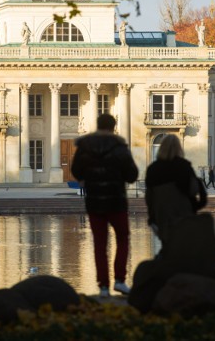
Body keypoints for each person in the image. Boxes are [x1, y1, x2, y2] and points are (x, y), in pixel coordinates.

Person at [71, 114, 138, 297]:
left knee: (100, 243)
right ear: (113, 127)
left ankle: (103, 286)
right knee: (122, 239)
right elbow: (132, 175)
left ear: (97, 125)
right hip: (116, 200)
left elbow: (75, 170)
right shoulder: (119, 147)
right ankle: (120, 281)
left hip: (94, 201)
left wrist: (86, 178)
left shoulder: (84, 147)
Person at [145, 135, 207, 247]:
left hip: (162, 219)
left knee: (167, 247)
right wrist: (194, 208)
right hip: (184, 217)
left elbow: (149, 199)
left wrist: (153, 218)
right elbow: (197, 194)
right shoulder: (185, 167)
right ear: (179, 148)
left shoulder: (152, 169)